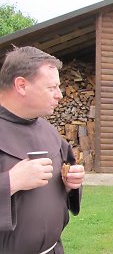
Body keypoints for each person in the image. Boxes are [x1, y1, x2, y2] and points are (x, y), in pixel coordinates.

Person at [0, 46, 84, 253]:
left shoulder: (48, 130)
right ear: (21, 85)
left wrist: (69, 183)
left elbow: (60, 185)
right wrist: (10, 182)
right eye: (51, 87)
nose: (60, 95)